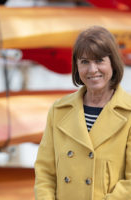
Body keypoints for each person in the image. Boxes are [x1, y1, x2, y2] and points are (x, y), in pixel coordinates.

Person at [34, 25, 131, 200]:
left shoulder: (129, 112)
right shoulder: (59, 110)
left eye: (99, 60)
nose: (92, 70)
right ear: (77, 66)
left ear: (113, 62)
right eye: (85, 62)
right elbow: (45, 173)